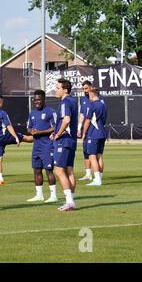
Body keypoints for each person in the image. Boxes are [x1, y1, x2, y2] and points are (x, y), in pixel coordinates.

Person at [0, 95, 33, 185]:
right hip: (7, 137)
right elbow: (9, 126)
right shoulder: (2, 113)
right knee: (26, 138)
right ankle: (42, 138)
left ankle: (0, 179)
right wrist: (16, 137)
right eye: (2, 103)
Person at [27, 89, 58, 203]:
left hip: (47, 146)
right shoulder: (32, 113)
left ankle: (54, 196)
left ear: (44, 99)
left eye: (39, 99)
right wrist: (32, 131)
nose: (37, 102)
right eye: (35, 100)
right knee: (36, 170)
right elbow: (28, 127)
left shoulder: (50, 111)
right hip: (36, 146)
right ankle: (39, 195)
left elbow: (55, 127)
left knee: (48, 170)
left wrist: (40, 132)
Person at [52, 78, 78, 211]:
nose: (55, 90)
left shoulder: (65, 102)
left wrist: (58, 134)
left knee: (58, 170)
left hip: (64, 141)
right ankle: (71, 199)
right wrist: (56, 131)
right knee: (69, 171)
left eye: (57, 88)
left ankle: (69, 202)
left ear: (65, 90)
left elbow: (66, 120)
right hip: (71, 140)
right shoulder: (73, 101)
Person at [82, 88, 108, 186]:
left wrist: (84, 133)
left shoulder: (92, 105)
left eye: (89, 95)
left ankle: (97, 180)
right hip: (102, 133)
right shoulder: (103, 105)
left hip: (93, 133)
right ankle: (99, 178)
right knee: (99, 156)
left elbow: (88, 120)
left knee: (92, 156)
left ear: (92, 95)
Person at [78, 80, 93, 181]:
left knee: (94, 153)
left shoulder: (96, 98)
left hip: (94, 129)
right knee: (85, 151)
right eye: (83, 89)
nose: (85, 90)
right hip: (85, 129)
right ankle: (88, 174)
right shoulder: (83, 99)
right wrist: (79, 127)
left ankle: (98, 175)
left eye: (86, 88)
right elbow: (82, 114)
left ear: (91, 87)